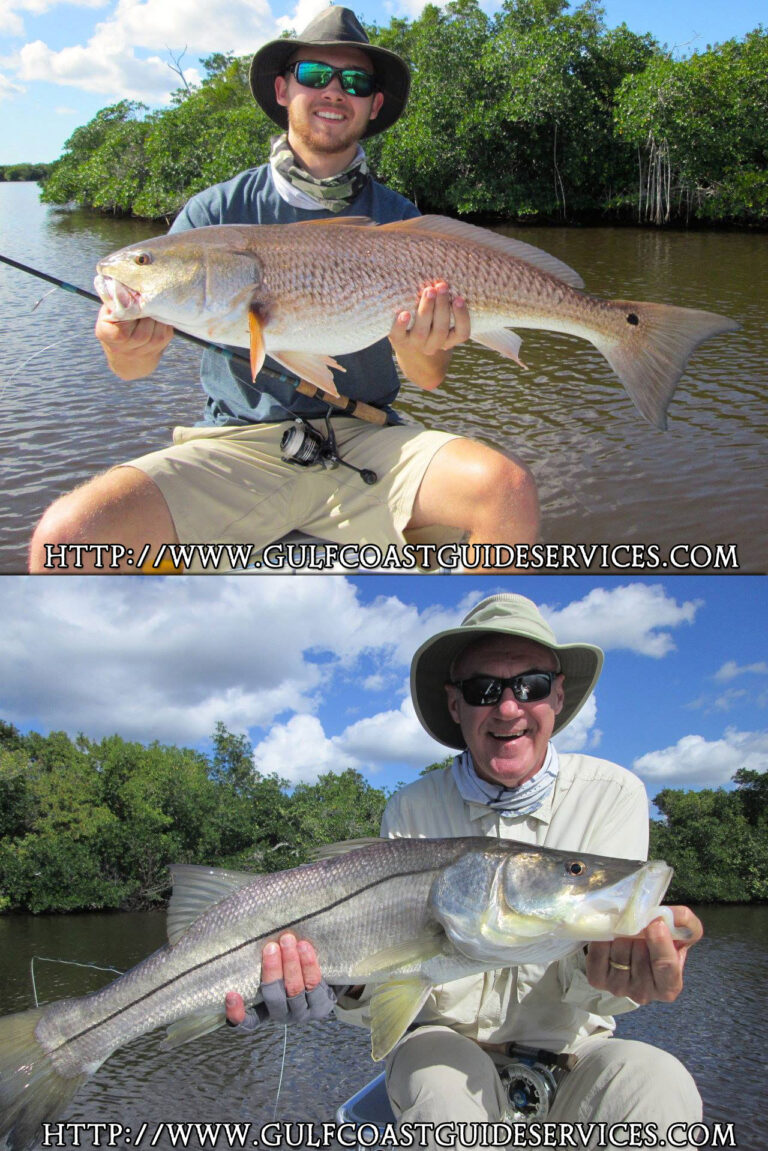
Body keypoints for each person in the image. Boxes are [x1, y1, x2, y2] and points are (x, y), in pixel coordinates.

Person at [28, 7, 538, 574]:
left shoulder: (398, 219)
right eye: (315, 75)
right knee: (66, 538)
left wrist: (426, 342)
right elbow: (130, 369)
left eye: (357, 81)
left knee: (506, 490)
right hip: (234, 445)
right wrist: (123, 344)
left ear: (374, 104)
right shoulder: (214, 214)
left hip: (365, 435)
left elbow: (428, 378)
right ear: (283, 87)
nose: (335, 91)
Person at [226, 593, 704, 1149]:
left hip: (577, 1053)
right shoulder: (409, 808)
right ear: (455, 706)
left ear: (558, 696)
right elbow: (393, 972)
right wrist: (339, 989)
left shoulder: (615, 794)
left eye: (531, 686)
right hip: (444, 1051)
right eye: (483, 689)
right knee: (438, 1088)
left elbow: (600, 989)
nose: (507, 708)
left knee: (659, 1084)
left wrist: (623, 973)